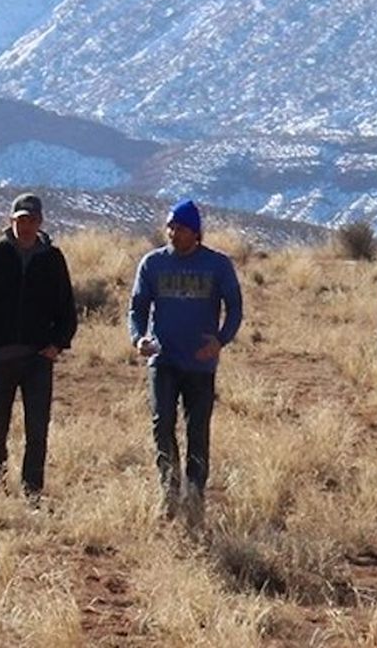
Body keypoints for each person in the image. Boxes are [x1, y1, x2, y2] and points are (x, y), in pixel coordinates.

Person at [0, 192, 79, 500]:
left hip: (38, 358)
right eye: (20, 220)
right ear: (11, 221)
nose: (25, 227)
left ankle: (32, 492)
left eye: (31, 221)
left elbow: (67, 307)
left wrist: (57, 344)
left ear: (40, 223)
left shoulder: (52, 259)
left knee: (36, 430)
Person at [129, 199, 244, 519]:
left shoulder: (217, 265)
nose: (172, 233)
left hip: (199, 363)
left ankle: (194, 496)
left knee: (197, 431)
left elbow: (235, 307)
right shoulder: (152, 264)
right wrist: (139, 338)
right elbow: (137, 308)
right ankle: (169, 490)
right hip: (162, 359)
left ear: (195, 233)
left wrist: (220, 341)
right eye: (170, 226)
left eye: (179, 228)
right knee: (162, 424)